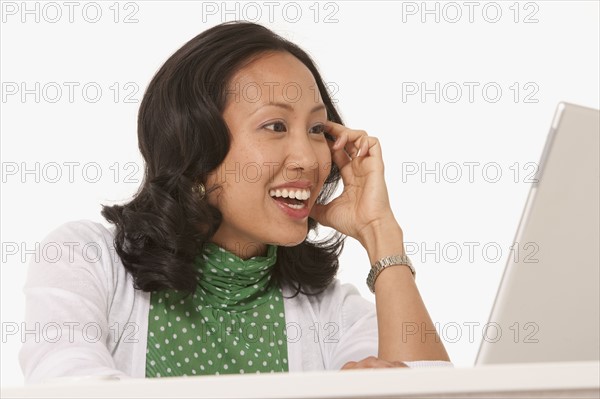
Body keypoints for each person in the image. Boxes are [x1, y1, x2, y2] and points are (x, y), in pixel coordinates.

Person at [19, 21, 452, 384]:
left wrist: (380, 232)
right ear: (195, 148)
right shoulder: (85, 258)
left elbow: (427, 391)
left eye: (318, 129)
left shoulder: (331, 311)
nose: (308, 158)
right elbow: (68, 385)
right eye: (276, 125)